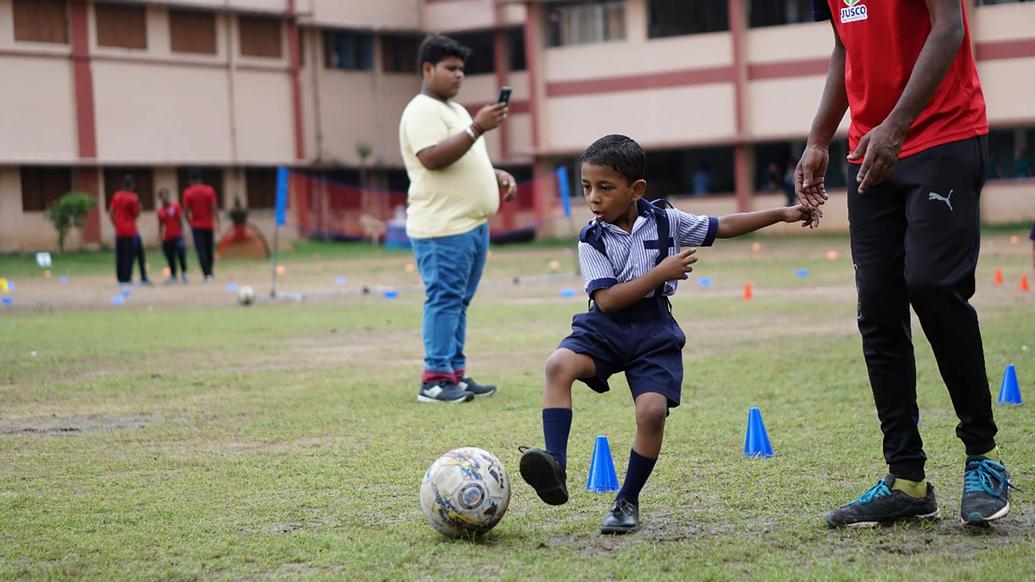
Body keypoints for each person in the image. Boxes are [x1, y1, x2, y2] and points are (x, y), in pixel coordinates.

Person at [519, 135, 816, 534]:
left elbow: (723, 225)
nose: (593, 198)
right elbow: (606, 301)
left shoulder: (666, 220)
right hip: (604, 327)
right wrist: (660, 272)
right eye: (586, 187)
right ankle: (555, 464)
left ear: (636, 189)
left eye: (605, 188)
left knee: (652, 412)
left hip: (654, 329)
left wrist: (782, 213)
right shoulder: (591, 238)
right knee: (558, 365)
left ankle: (627, 500)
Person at [797, 0, 1015, 528]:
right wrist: (819, 138)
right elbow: (843, 50)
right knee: (877, 307)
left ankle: (983, 458)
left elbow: (949, 30)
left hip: (943, 135)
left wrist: (897, 126)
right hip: (869, 150)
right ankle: (907, 478)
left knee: (933, 286)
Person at [399, 34, 517, 404]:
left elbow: (464, 158)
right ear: (427, 69)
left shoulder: (457, 111)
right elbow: (431, 158)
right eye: (450, 68)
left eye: (462, 70)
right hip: (442, 226)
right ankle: (434, 380)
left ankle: (454, 373)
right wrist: (477, 127)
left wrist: (494, 174)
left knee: (458, 302)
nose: (458, 76)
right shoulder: (420, 109)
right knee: (445, 298)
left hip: (471, 224)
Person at [108, 174, 150, 286]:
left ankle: (121, 278)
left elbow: (111, 212)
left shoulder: (116, 196)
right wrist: (140, 208)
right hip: (131, 231)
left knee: (120, 254)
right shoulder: (133, 197)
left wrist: (116, 225)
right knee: (133, 254)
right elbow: (135, 214)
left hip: (119, 231)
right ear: (132, 185)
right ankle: (132, 278)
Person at [182, 169, 219, 282]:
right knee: (209, 249)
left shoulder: (188, 192)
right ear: (200, 178)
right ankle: (210, 272)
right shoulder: (209, 190)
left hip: (196, 226)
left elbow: (186, 210)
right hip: (209, 225)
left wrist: (189, 222)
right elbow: (214, 206)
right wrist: (217, 220)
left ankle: (206, 274)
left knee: (201, 250)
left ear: (190, 180)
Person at [157, 188, 188, 284]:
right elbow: (160, 225)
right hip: (167, 238)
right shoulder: (160, 211)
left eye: (166, 196)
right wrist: (160, 237)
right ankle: (174, 275)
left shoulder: (176, 207)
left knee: (181, 255)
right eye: (162, 197)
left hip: (177, 236)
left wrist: (182, 234)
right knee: (170, 257)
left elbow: (180, 221)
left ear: (168, 196)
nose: (164, 198)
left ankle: (184, 274)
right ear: (160, 198)